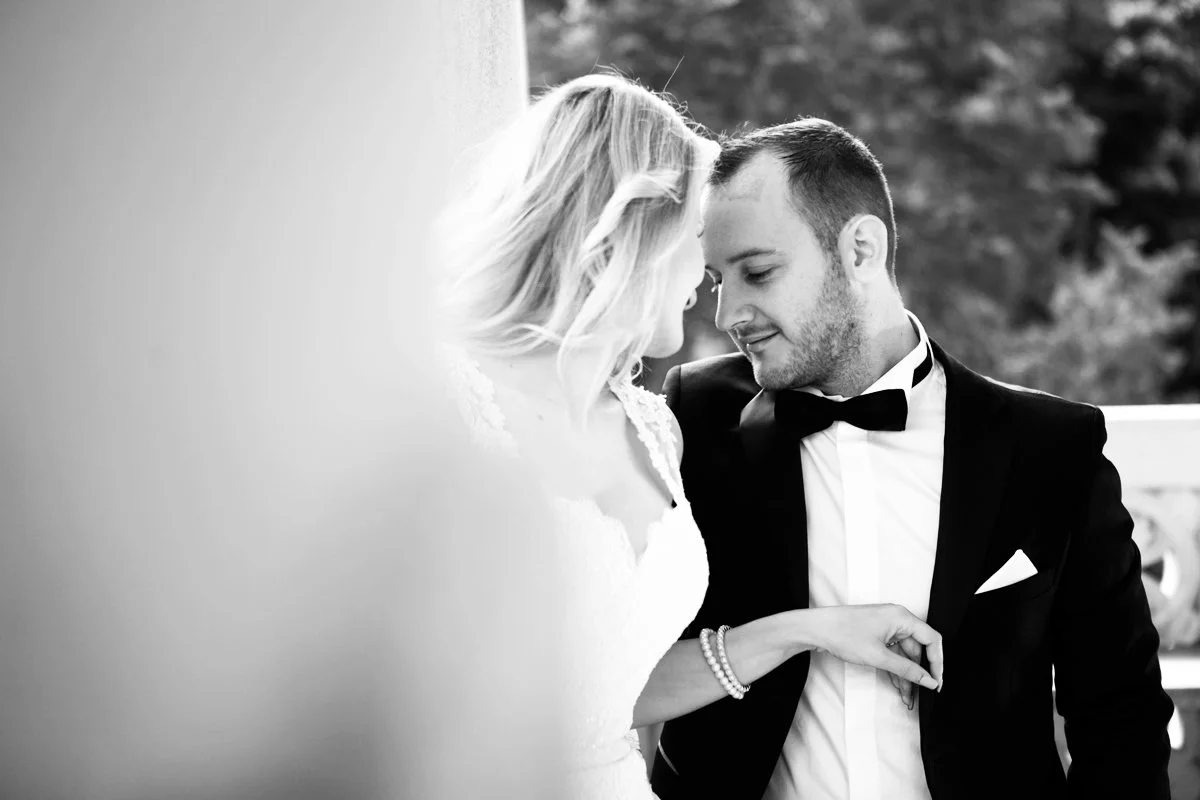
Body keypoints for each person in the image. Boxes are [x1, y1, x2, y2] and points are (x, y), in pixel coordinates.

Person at [435, 75, 947, 800]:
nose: (719, 298)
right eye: (700, 254)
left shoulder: (655, 430)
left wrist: (813, 629)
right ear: (635, 231)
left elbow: (617, 696)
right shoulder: (443, 404)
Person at [650, 116, 1174, 800]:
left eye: (758, 272)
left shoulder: (1050, 449)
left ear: (861, 249)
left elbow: (1119, 714)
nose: (729, 313)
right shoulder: (694, 415)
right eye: (719, 280)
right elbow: (616, 664)